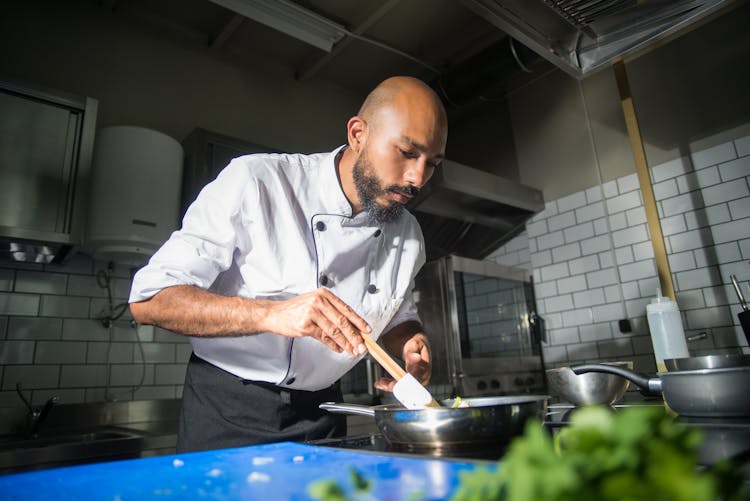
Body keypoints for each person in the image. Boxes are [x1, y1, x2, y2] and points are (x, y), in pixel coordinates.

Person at [128, 76, 448, 453]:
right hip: (229, 411)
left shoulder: (408, 233)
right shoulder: (257, 181)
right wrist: (272, 315)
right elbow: (149, 300)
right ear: (358, 133)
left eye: (432, 163)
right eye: (407, 153)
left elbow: (397, 317)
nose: (417, 178)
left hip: (326, 413)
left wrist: (411, 342)